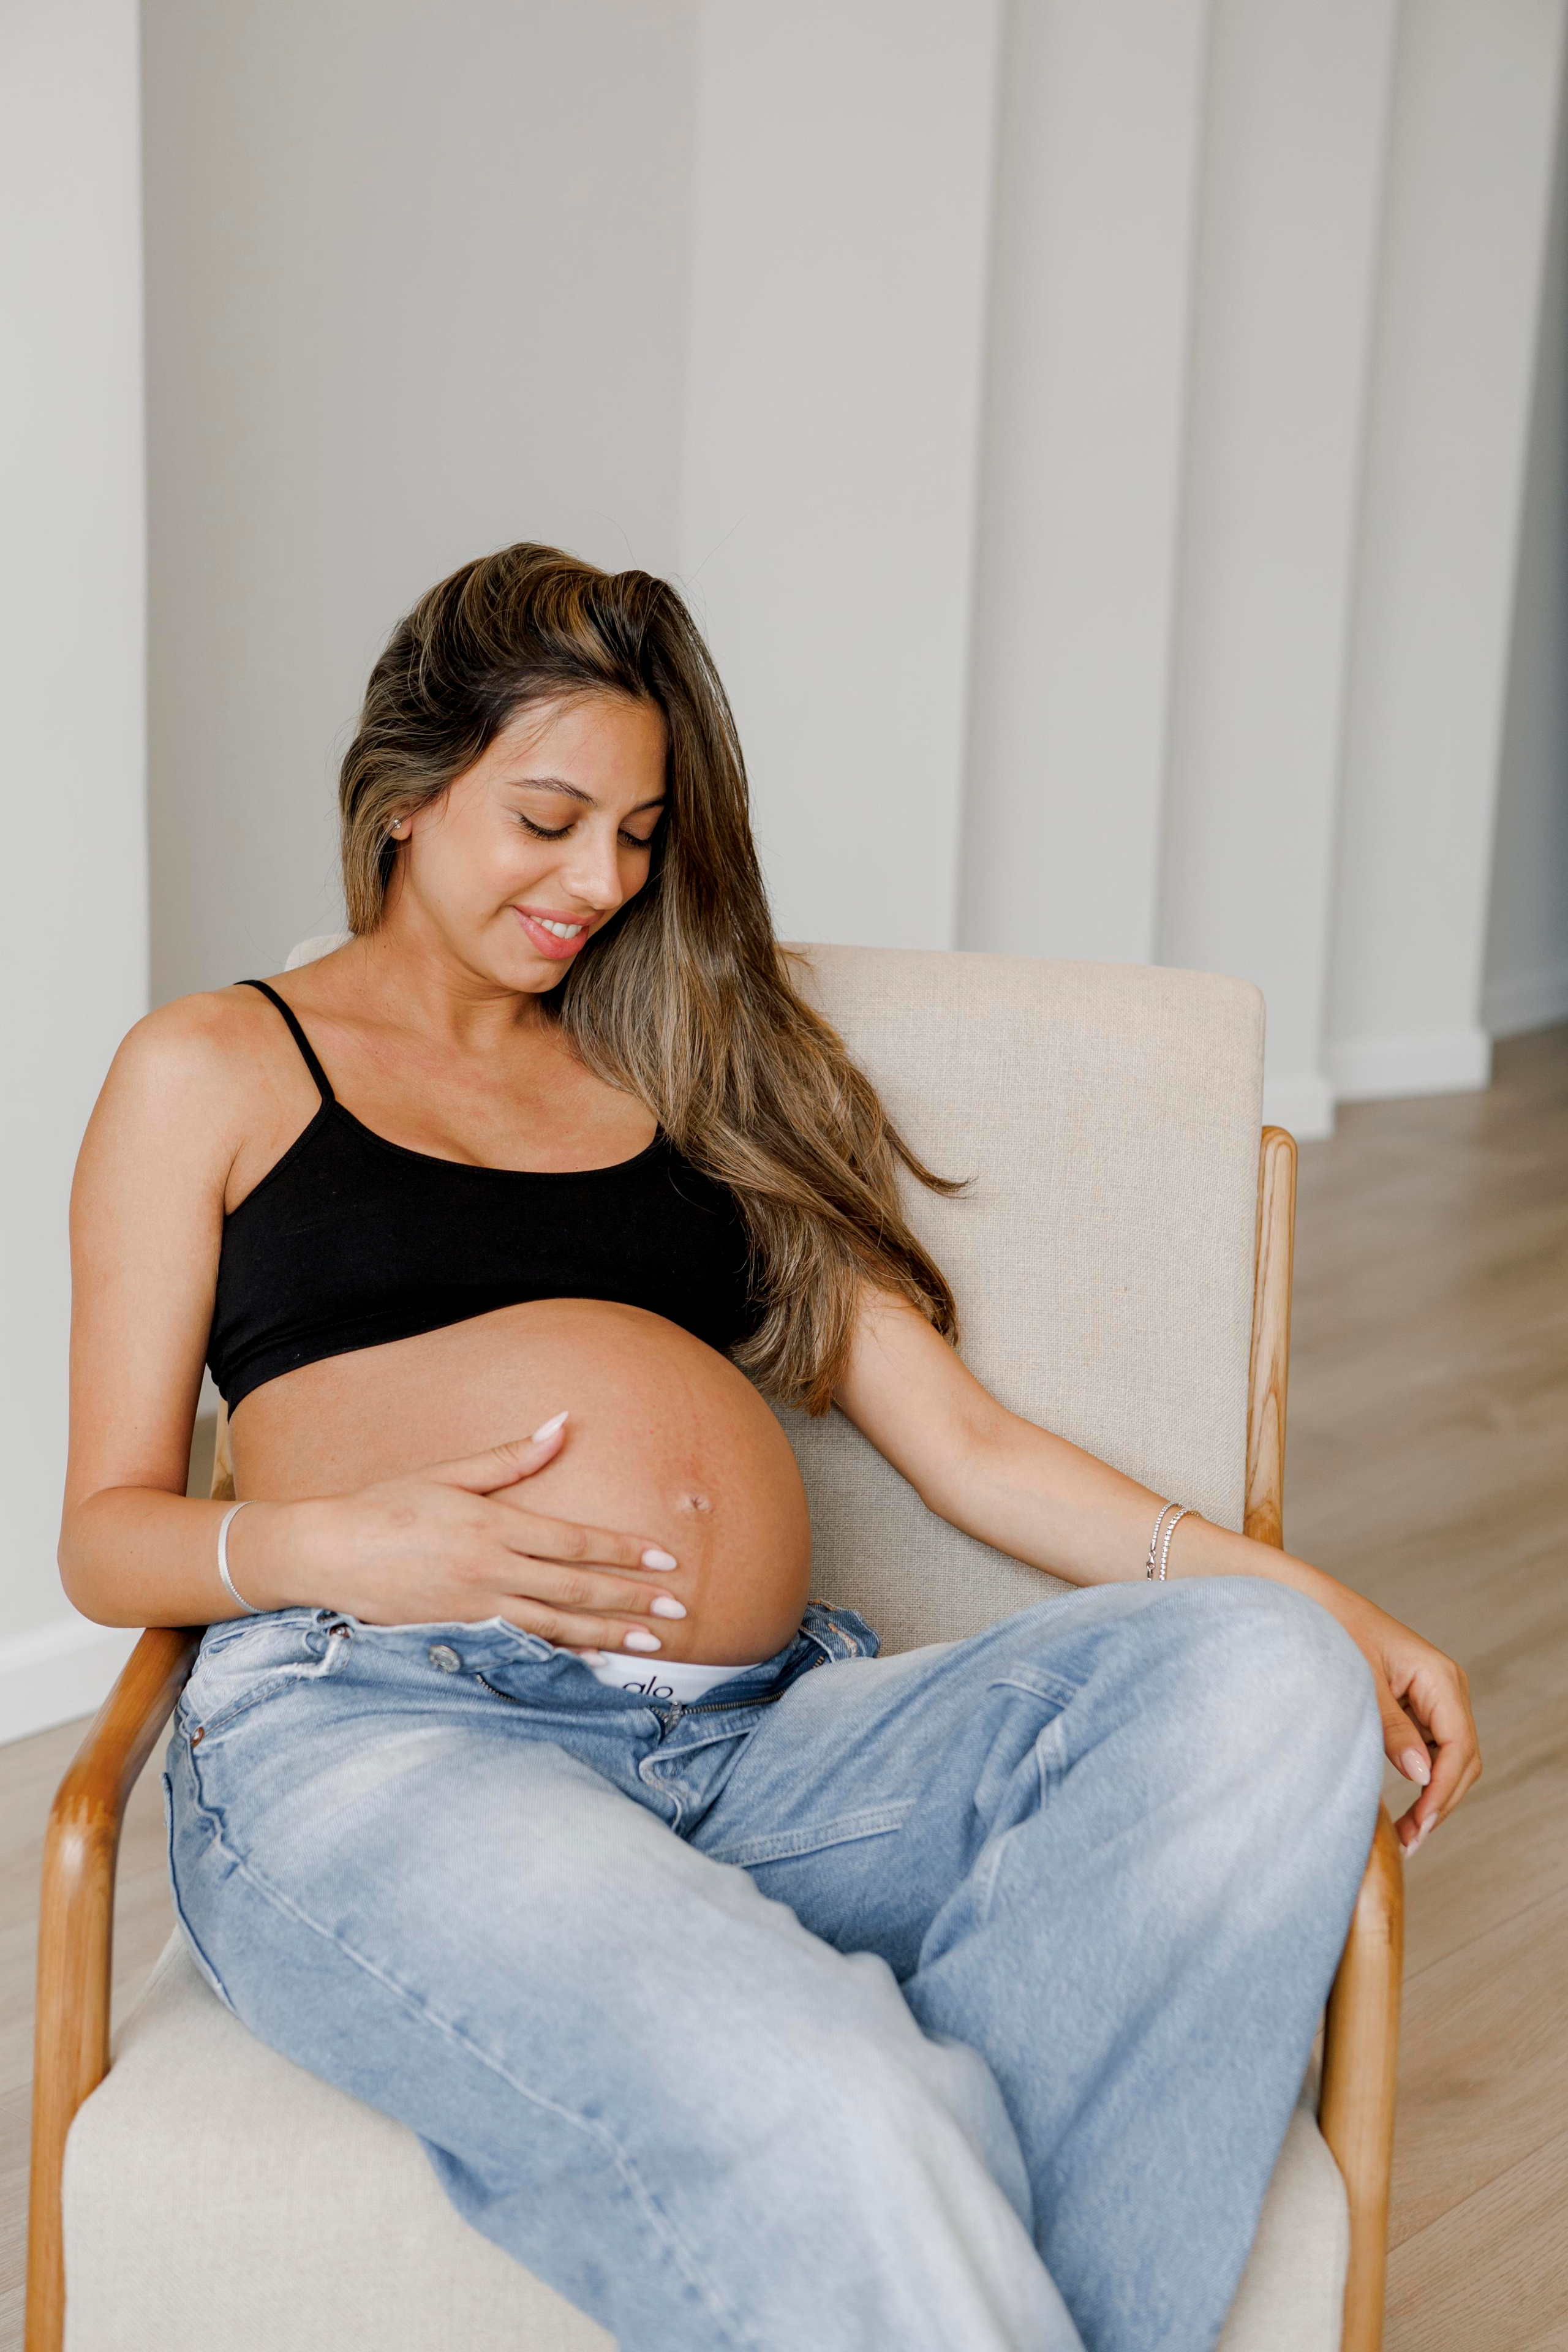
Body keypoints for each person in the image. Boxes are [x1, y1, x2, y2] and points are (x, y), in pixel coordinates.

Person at [61, 543, 1479, 2351]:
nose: (600, 883)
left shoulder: (692, 1070)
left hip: (759, 1756)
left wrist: (1333, 1608)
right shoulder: (213, 1069)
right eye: (550, 819)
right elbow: (106, 1537)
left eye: (641, 837)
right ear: (409, 796)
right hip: (387, 1734)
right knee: (835, 2100)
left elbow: (967, 1449)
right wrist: (336, 1546)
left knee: (1267, 1678)